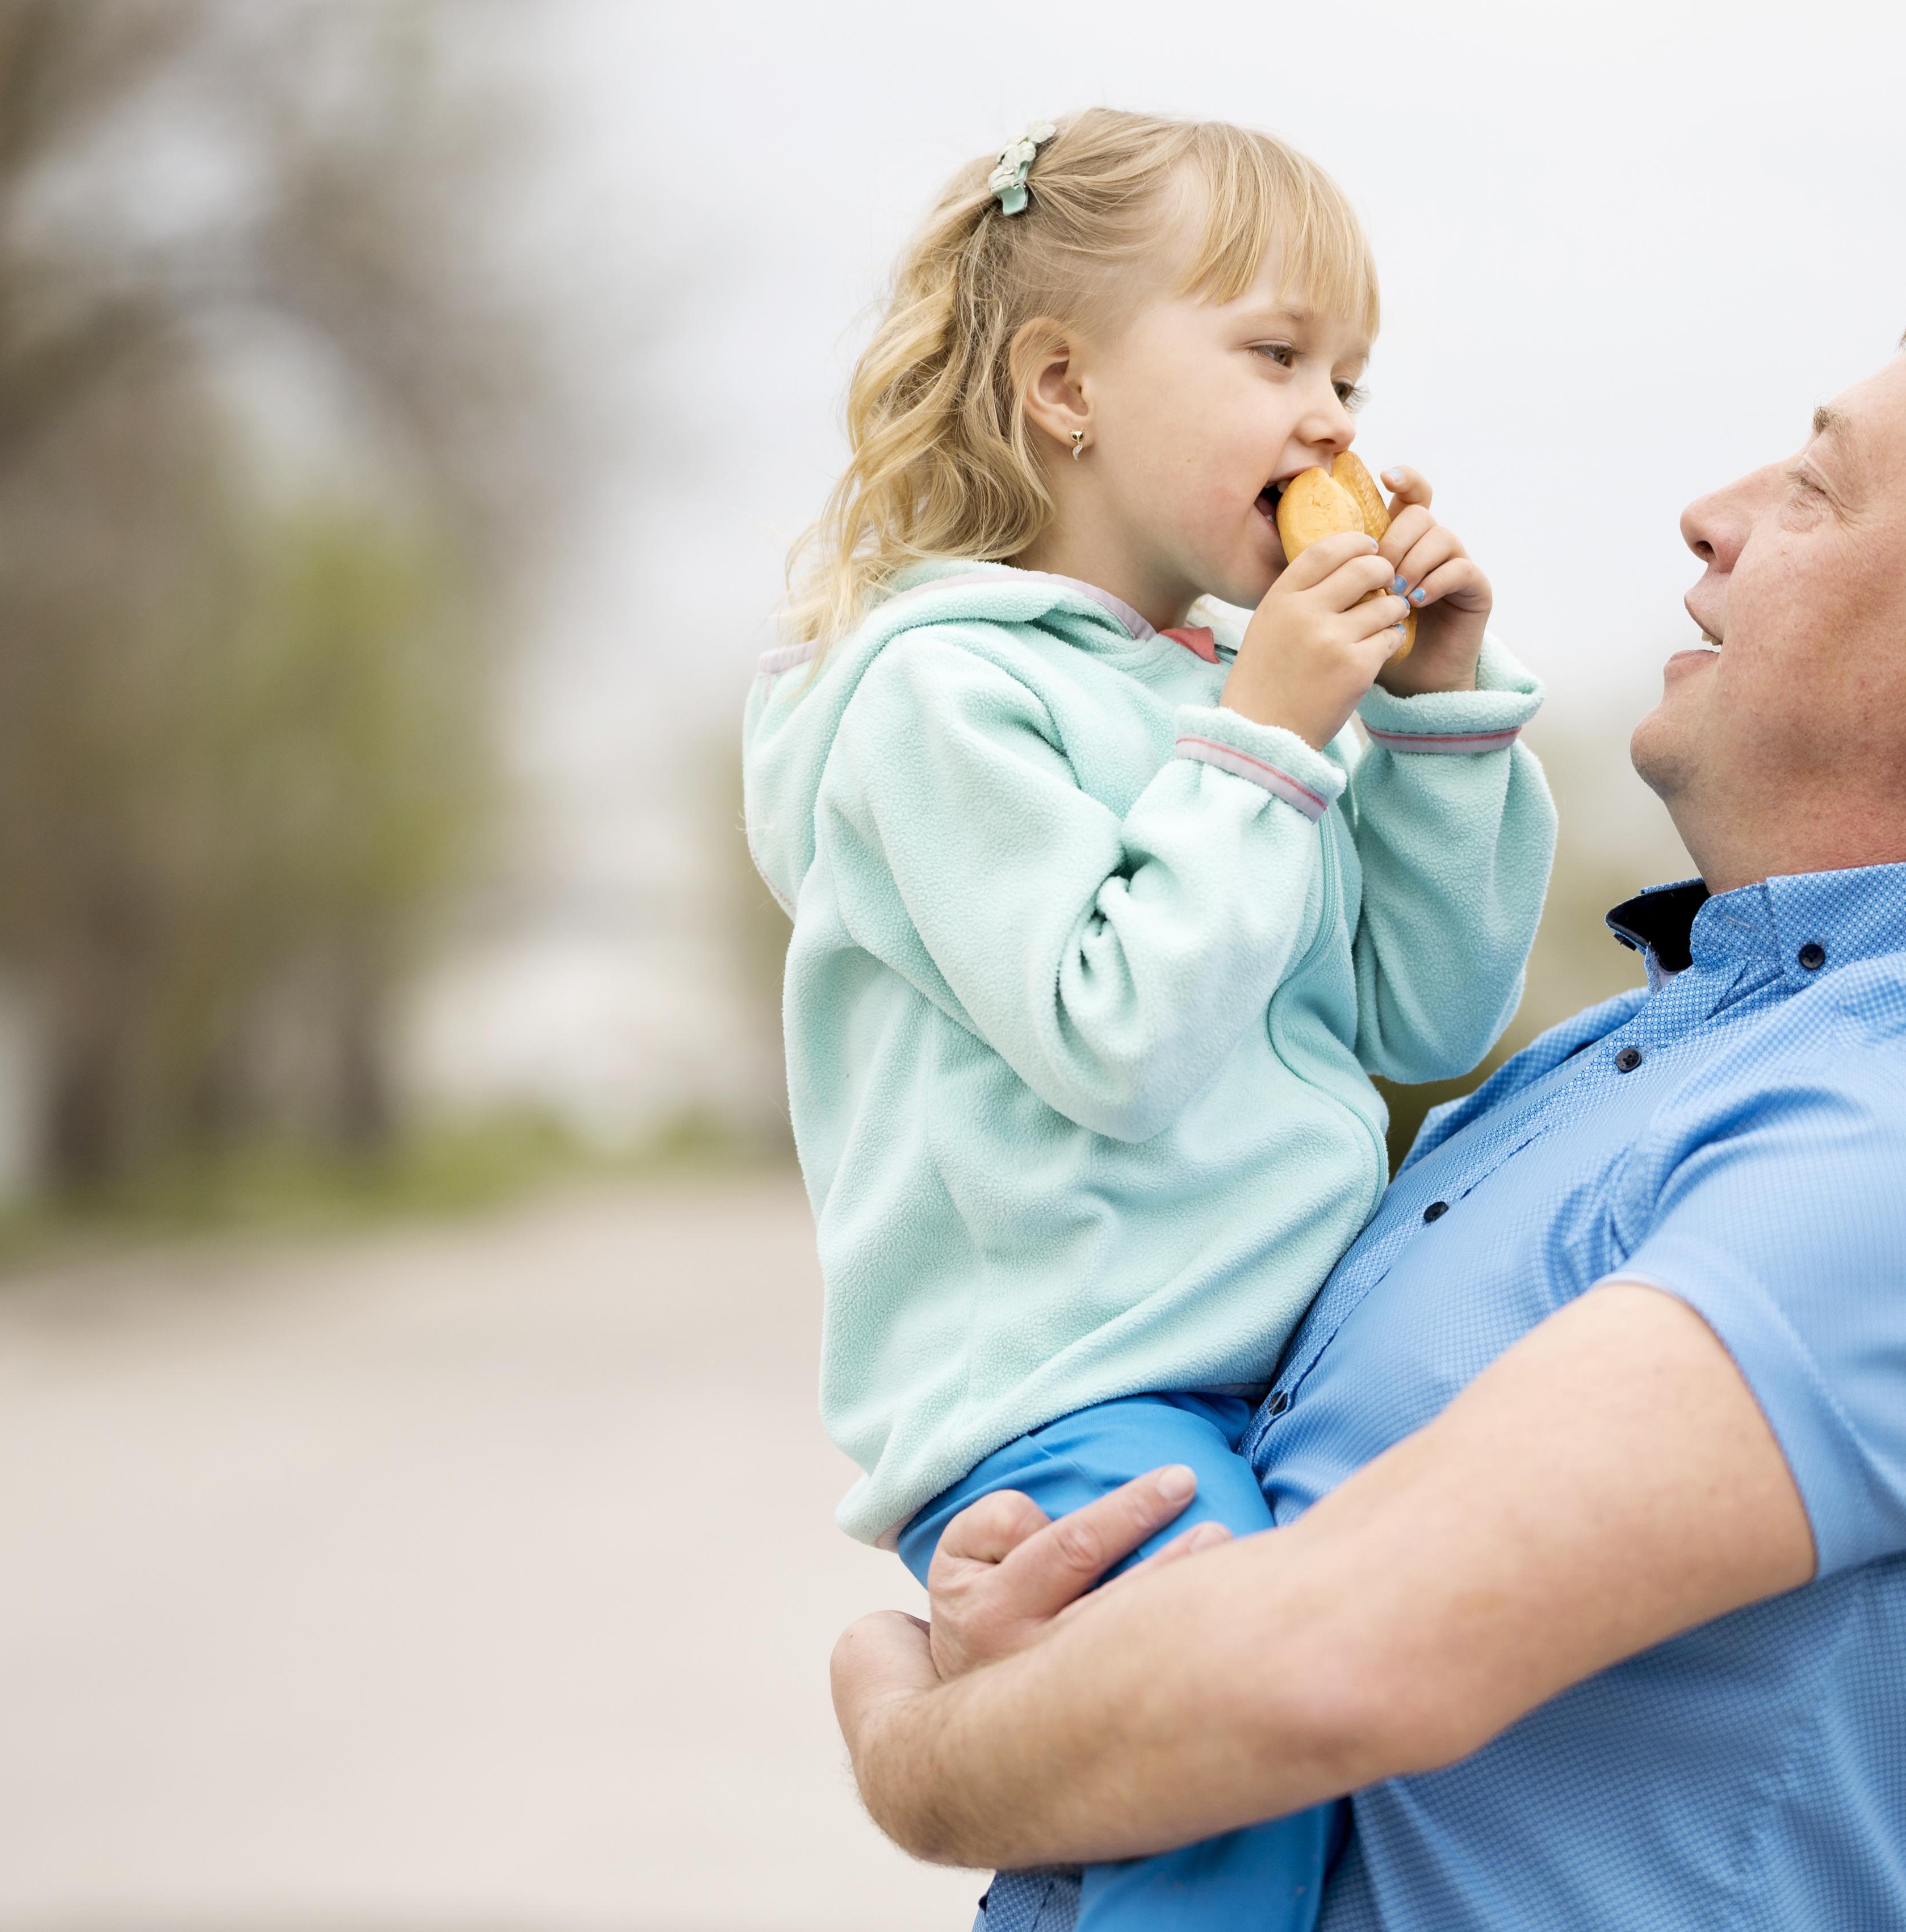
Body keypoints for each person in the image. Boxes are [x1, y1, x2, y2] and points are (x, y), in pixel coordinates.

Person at [830, 278, 1906, 1931]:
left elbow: (1328, 1658)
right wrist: (1056, 1611)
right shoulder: (1648, 1054)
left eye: (1817, 487)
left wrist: (919, 1729)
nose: (1711, 516)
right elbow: (1249, 1562)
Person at [743, 110, 1557, 1930]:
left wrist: (1427, 726)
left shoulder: (1214, 697)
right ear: (1065, 388)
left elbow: (1426, 1011)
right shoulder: (939, 700)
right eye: (1276, 355)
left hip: (1273, 1375)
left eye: (1350, 371)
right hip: (1079, 1392)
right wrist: (1267, 736)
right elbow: (1111, 1032)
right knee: (1223, 1803)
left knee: (1305, 1813)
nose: (1337, 419)